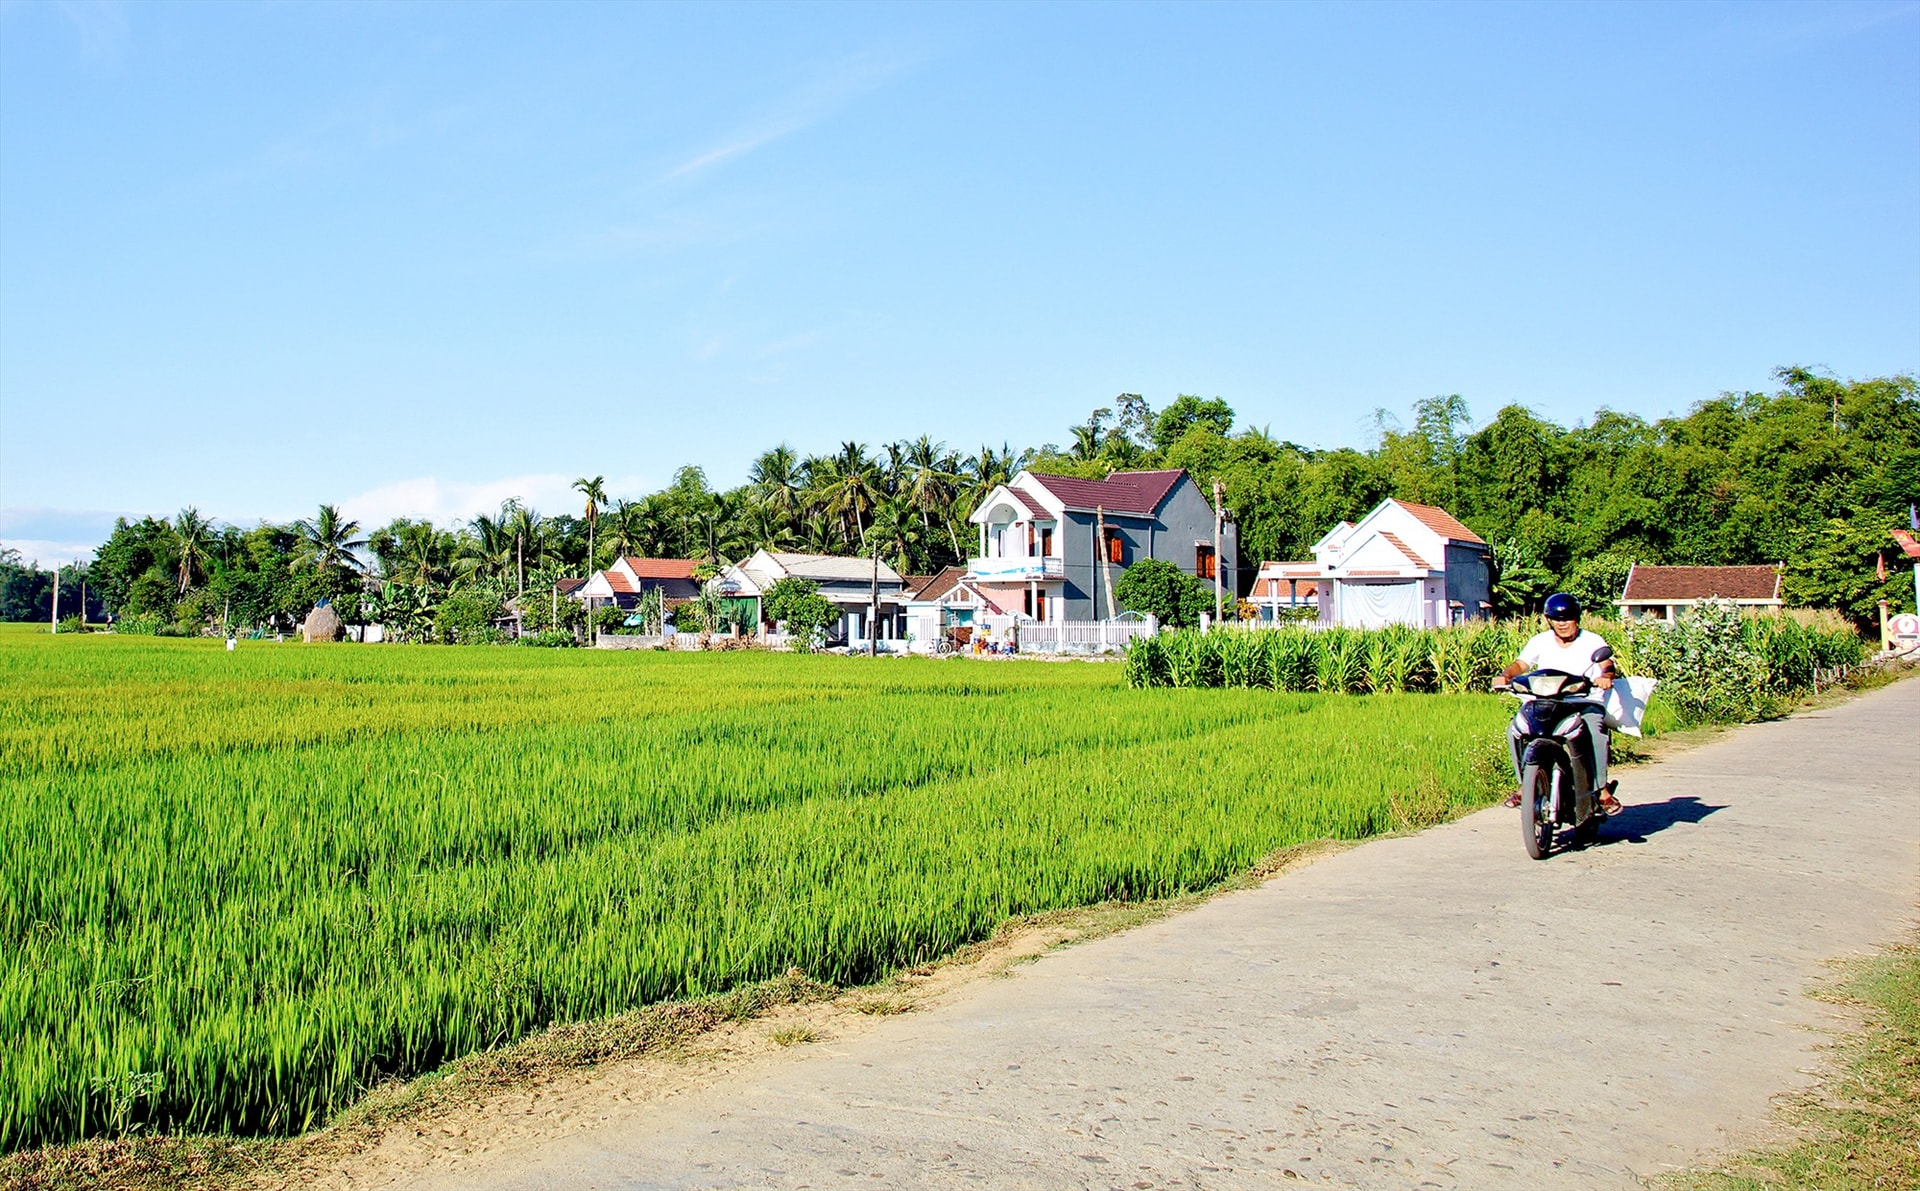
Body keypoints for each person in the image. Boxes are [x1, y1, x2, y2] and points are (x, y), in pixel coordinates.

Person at [1493, 592, 1621, 815]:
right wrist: (1506, 676)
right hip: (1547, 701)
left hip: (1582, 701)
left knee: (1595, 731)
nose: (1562, 624)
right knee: (1515, 729)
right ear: (1549, 620)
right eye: (1557, 619)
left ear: (1577, 618)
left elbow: (1606, 665)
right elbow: (1521, 664)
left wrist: (1606, 677)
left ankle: (1601, 791)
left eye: (1568, 618)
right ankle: (1526, 785)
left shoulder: (1592, 641)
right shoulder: (1540, 641)